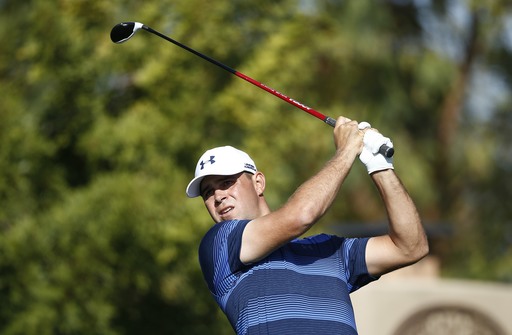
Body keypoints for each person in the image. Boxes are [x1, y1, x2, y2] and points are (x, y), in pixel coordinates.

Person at [186, 117, 429, 335]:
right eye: (208, 193)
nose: (218, 196)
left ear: (258, 183)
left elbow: (410, 246)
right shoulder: (220, 245)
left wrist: (380, 166)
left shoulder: (330, 250)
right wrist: (346, 151)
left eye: (227, 182)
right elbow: (301, 216)